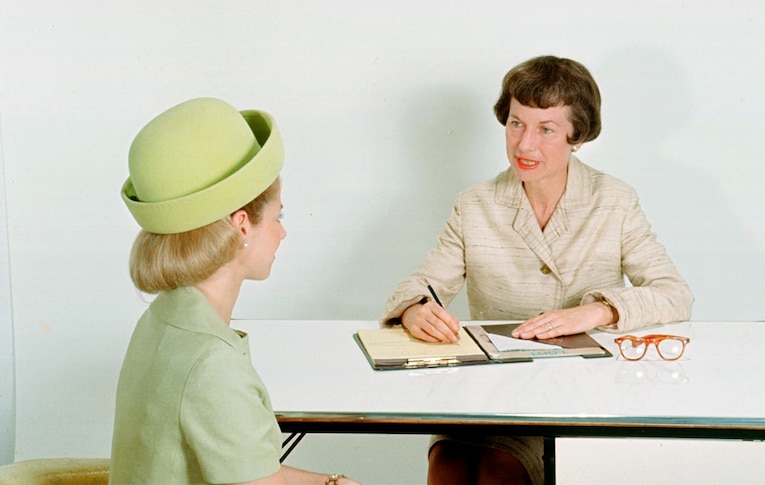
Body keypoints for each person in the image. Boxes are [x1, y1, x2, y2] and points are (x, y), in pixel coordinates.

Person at [381, 55, 694, 485]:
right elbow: (421, 285)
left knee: (498, 471)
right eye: (515, 124)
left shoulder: (614, 200)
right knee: (447, 467)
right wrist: (415, 309)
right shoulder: (476, 204)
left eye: (546, 129)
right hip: (486, 392)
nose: (525, 145)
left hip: (577, 393)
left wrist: (597, 312)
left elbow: (674, 293)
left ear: (575, 135)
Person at [111, 97, 359, 485]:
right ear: (242, 225)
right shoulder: (211, 361)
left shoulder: (164, 317)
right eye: (279, 216)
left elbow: (256, 473)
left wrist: (333, 482)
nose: (282, 231)